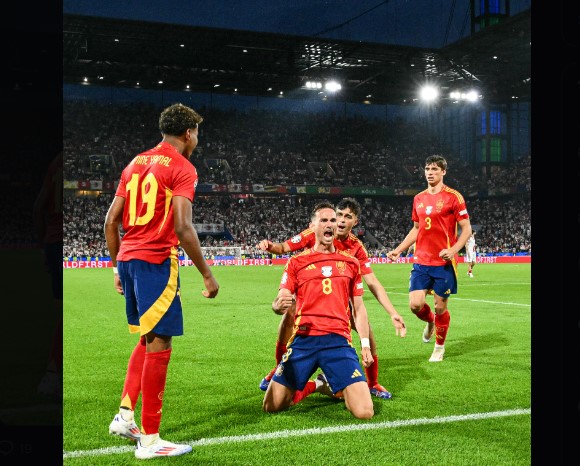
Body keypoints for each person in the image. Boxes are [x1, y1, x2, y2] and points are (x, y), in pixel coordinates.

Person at [104, 103, 219, 460]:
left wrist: (116, 267)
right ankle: (151, 441)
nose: (197, 139)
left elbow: (111, 222)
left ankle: (125, 416)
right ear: (189, 133)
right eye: (197, 132)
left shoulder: (134, 163)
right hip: (157, 260)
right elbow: (183, 228)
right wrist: (207, 272)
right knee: (160, 344)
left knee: (147, 337)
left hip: (129, 259)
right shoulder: (184, 168)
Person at [257, 197, 406, 399]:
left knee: (366, 330)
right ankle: (279, 369)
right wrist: (269, 246)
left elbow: (372, 282)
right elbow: (283, 248)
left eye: (347, 217)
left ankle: (373, 383)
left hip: (339, 306)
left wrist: (393, 313)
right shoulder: (316, 232)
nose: (341, 220)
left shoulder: (356, 248)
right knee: (289, 312)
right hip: (312, 302)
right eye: (339, 215)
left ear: (355, 222)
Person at [262, 202, 374, 419]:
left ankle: (330, 383)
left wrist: (365, 344)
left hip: (338, 342)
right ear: (312, 227)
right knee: (272, 405)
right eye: (324, 220)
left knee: (364, 412)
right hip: (304, 340)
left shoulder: (350, 263)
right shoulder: (296, 263)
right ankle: (317, 384)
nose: (330, 224)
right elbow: (280, 301)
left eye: (333, 220)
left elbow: (359, 309)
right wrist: (277, 306)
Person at [387, 155, 472, 362]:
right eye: (427, 168)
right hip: (421, 260)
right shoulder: (419, 198)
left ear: (443, 171)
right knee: (415, 305)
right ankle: (431, 322)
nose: (430, 172)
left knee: (441, 306)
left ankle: (439, 347)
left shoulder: (454, 197)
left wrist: (453, 250)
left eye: (435, 168)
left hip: (443, 262)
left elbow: (466, 229)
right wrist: (399, 249)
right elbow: (416, 229)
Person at [33, 150, 63, 400]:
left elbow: (38, 207)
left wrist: (44, 244)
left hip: (53, 242)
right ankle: (53, 373)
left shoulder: (56, 162)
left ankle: (54, 371)